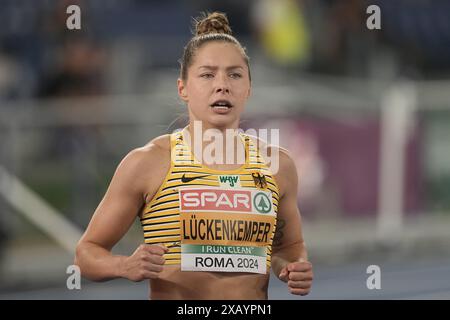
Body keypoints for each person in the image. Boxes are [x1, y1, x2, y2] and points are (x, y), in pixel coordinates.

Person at [75, 11, 313, 300]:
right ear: (183, 88)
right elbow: (87, 253)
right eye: (207, 74)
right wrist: (124, 265)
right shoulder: (148, 163)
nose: (222, 84)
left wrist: (292, 266)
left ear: (248, 88)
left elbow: (287, 247)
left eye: (235, 74)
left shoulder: (277, 165)